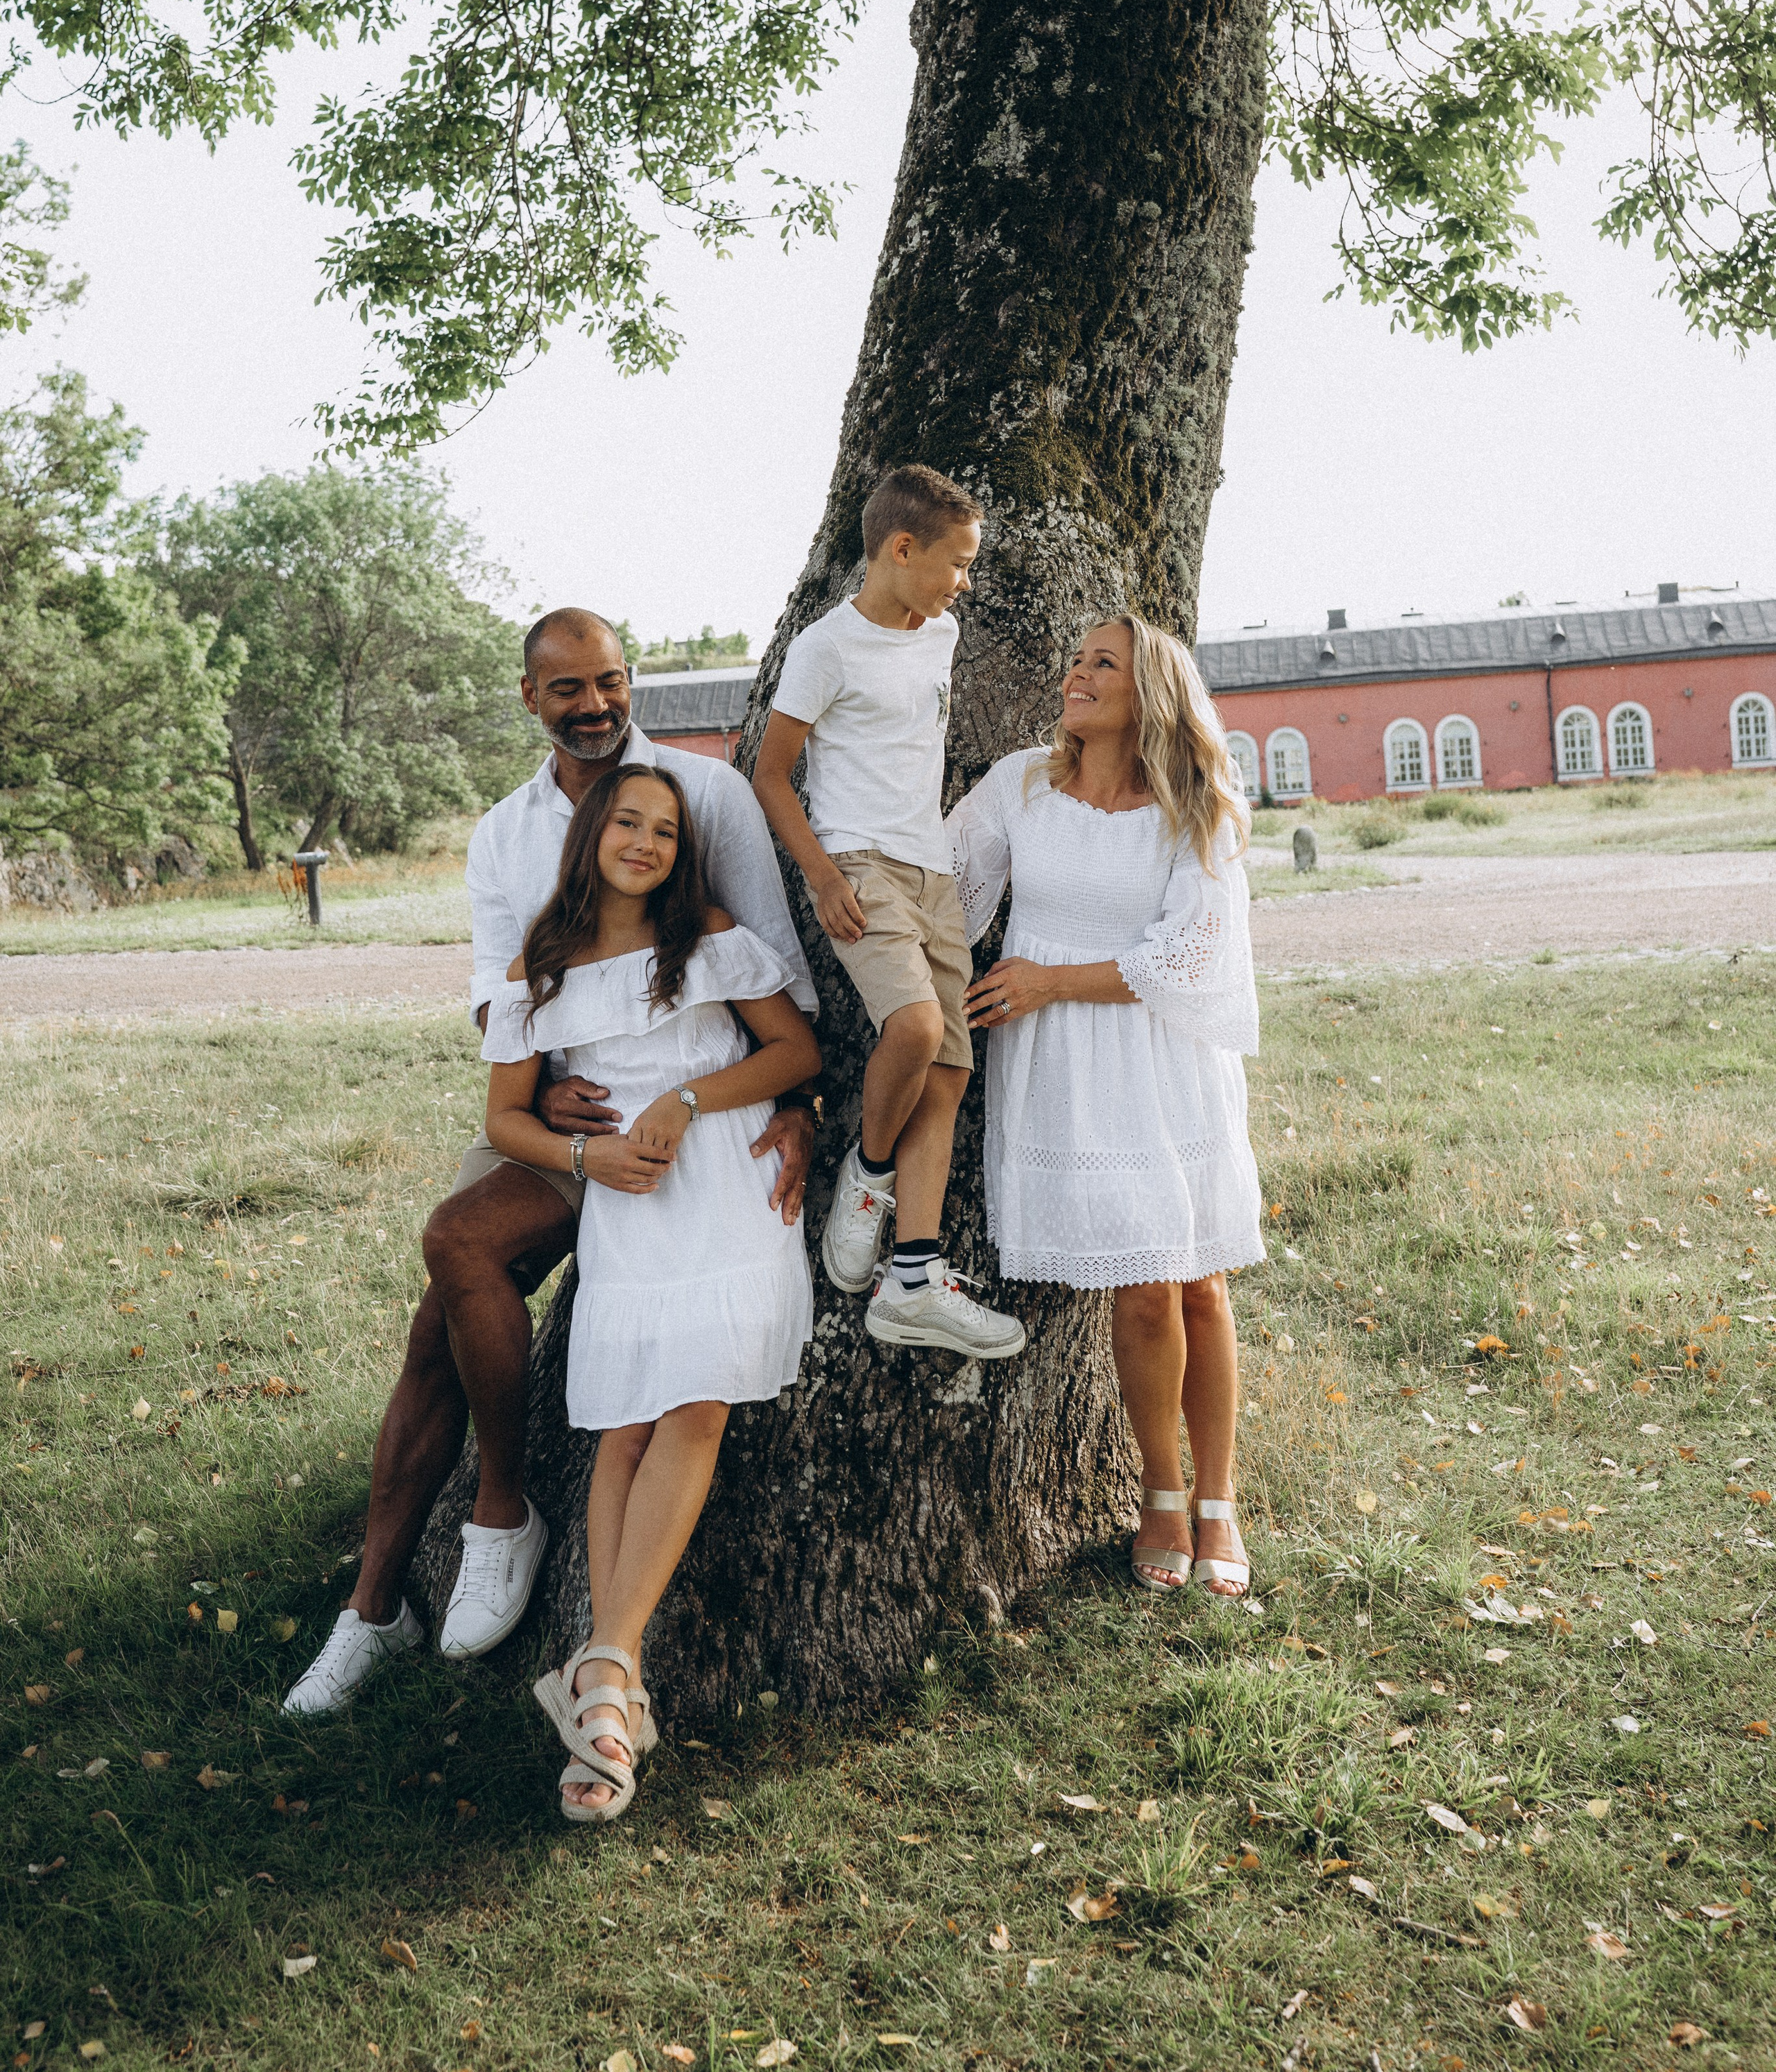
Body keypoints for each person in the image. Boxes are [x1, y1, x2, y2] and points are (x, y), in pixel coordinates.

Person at [282, 608, 817, 1717]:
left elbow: (775, 974)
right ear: (531, 698)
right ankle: (418, 1574)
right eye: (568, 689)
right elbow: (499, 997)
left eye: (611, 682)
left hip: (697, 1112)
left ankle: (486, 1531)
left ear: (634, 682)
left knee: (468, 1276)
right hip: (561, 1100)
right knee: (454, 1272)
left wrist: (796, 1102)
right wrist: (562, 1107)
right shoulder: (502, 832)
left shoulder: (702, 794)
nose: (594, 705)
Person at [482, 759, 821, 1821]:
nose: (646, 841)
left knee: (697, 1402)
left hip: (727, 1180)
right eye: (626, 822)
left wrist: (682, 1097)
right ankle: (607, 1679)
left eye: (665, 831)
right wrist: (584, 1166)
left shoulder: (708, 935)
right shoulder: (540, 964)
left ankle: (607, 1672)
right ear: (591, 837)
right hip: (628, 1197)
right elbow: (507, 1120)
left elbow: (793, 1050)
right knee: (624, 1423)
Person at [946, 615, 1263, 1595]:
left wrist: (1047, 980)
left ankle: (1221, 1501)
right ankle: (1160, 1494)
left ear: (1150, 693)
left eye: (1103, 664)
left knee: (1199, 1283)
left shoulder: (1197, 808)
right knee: (1140, 1286)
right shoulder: (1021, 788)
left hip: (1164, 1055)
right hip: (1065, 1074)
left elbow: (1192, 953)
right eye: (1077, 660)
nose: (1077, 675)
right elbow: (939, 889)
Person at [754, 465, 1024, 1360]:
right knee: (911, 1027)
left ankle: (912, 1277)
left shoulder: (938, 632)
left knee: (946, 1073)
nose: (966, 582)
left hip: (932, 868)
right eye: (959, 562)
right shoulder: (826, 648)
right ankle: (866, 1177)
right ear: (901, 550)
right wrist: (825, 877)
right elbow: (770, 773)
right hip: (861, 861)